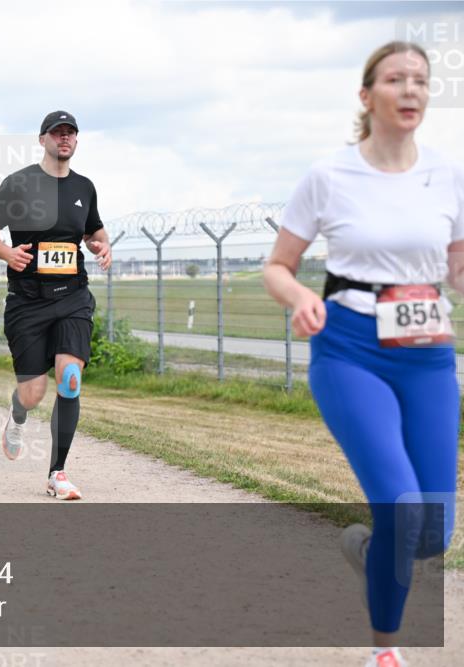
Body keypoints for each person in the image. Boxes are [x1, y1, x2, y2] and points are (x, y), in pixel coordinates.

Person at [263, 42, 461, 667]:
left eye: (422, 81)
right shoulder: (330, 176)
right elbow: (278, 266)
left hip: (428, 353)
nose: (411, 91)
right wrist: (297, 297)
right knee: (402, 510)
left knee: (432, 533)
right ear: (366, 94)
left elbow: (457, 264)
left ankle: (371, 551)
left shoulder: (449, 174)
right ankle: (385, 650)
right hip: (350, 349)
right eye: (396, 79)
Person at [0, 111, 111, 500]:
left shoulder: (85, 186)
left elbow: (93, 230)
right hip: (27, 301)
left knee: (70, 379)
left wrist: (102, 245)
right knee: (33, 393)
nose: (64, 139)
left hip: (72, 296)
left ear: (76, 141)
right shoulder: (19, 183)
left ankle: (58, 472)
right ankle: (18, 416)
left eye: (70, 134)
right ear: (43, 140)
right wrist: (7, 254)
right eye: (57, 133)